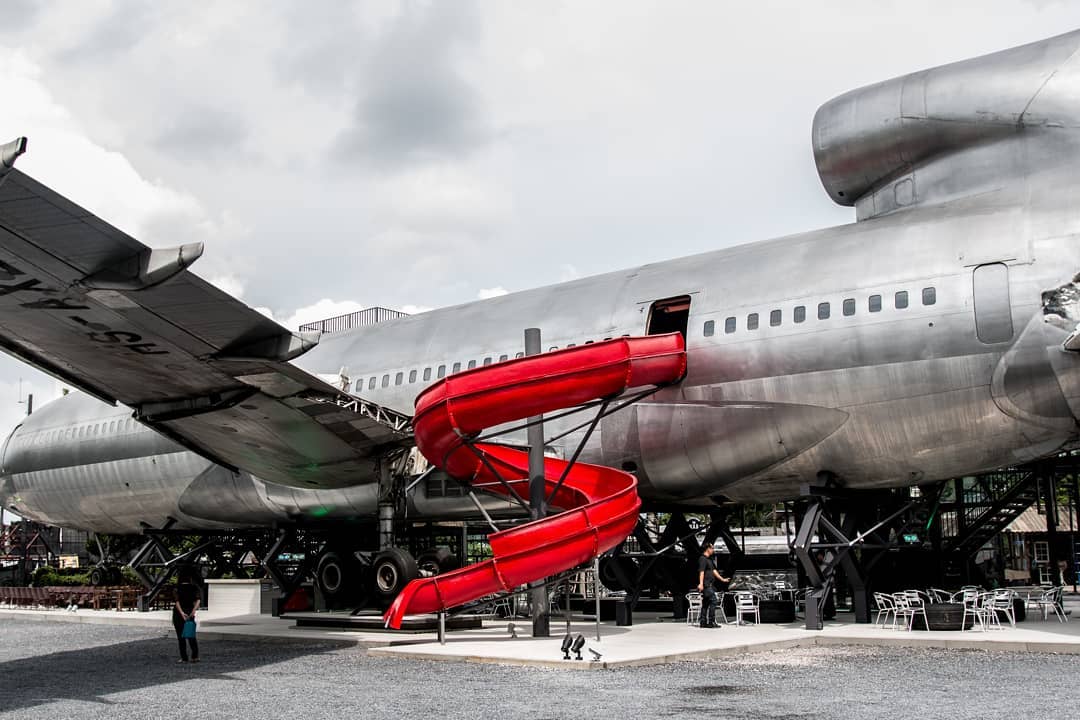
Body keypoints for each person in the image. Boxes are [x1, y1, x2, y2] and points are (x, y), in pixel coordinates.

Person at [697, 543, 730, 628]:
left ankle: (703, 622)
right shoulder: (703, 559)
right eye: (712, 548)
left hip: (710, 585)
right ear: (707, 549)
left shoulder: (710, 559)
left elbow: (714, 571)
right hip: (706, 585)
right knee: (714, 601)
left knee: (706, 603)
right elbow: (701, 572)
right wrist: (701, 584)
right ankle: (711, 621)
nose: (713, 550)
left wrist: (722, 579)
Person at [172, 570, 201, 663]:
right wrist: (193, 611)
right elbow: (198, 600)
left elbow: (177, 601)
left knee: (181, 637)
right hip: (190, 611)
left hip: (178, 613)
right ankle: (195, 656)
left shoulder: (177, 588)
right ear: (190, 578)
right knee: (191, 634)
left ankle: (184, 658)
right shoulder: (194, 587)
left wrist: (181, 613)